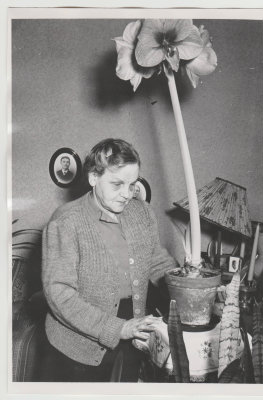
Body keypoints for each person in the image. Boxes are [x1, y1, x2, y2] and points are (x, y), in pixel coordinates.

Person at [41, 138, 178, 382]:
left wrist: (187, 284)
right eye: (117, 184)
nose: (127, 194)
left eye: (132, 184)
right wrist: (119, 328)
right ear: (94, 178)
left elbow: (156, 261)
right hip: (77, 348)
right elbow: (59, 295)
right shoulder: (65, 222)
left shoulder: (142, 212)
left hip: (132, 327)